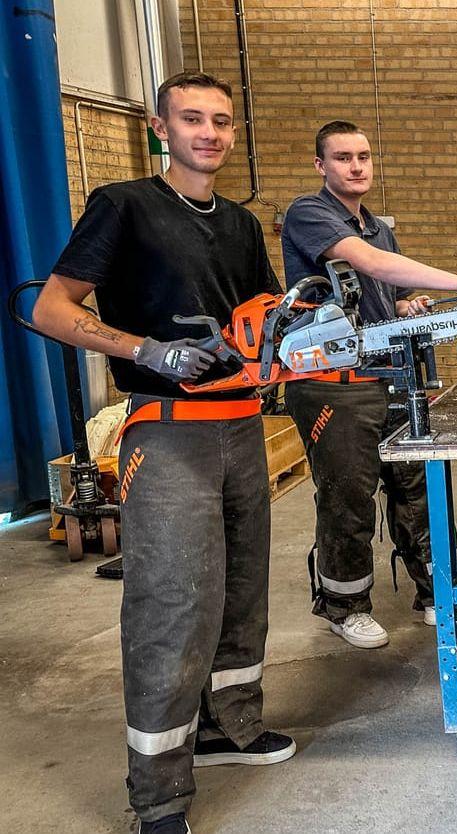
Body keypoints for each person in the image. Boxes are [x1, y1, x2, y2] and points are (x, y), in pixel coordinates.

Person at [33, 72, 293, 834]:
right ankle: (160, 793)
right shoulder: (124, 206)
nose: (207, 132)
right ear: (160, 127)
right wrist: (149, 348)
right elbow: (52, 307)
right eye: (190, 118)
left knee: (240, 589)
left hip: (243, 423)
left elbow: (265, 315)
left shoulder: (241, 226)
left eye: (220, 120)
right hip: (168, 423)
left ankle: (229, 725)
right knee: (173, 603)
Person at [280, 120, 457, 649]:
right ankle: (344, 605)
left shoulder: (378, 226)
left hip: (389, 373)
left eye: (362, 156)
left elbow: (373, 291)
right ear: (321, 166)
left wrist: (402, 307)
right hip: (332, 381)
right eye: (342, 158)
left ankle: (438, 594)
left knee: (419, 487)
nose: (356, 166)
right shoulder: (310, 214)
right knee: (348, 495)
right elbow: (370, 263)